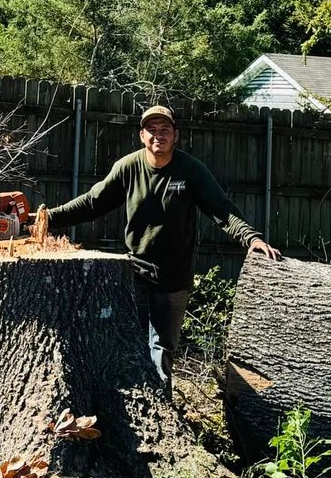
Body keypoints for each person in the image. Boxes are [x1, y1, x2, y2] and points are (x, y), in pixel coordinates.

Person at [45, 104, 281, 391]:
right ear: (142, 135)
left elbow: (222, 209)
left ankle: (162, 411)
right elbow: (93, 202)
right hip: (135, 274)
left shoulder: (191, 170)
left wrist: (252, 238)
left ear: (176, 135)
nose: (159, 136)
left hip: (174, 278)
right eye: (152, 130)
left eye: (165, 130)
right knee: (130, 348)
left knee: (161, 352)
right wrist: (47, 218)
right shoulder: (128, 167)